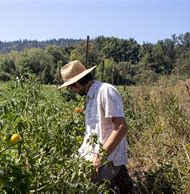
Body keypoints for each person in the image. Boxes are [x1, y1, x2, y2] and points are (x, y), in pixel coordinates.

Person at [57, 60, 134, 193]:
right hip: (91, 153)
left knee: (82, 185)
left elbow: (121, 127)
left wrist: (99, 158)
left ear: (76, 84)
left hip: (108, 158)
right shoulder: (90, 97)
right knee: (64, 174)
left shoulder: (105, 91)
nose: (72, 91)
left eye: (71, 87)